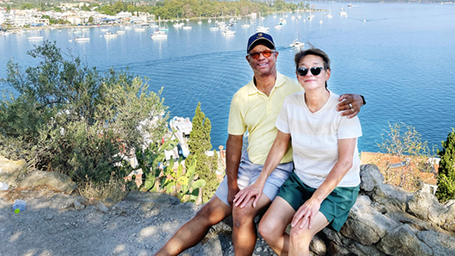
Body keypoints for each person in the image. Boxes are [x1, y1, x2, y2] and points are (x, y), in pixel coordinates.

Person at [154, 34, 365, 256]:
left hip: (282, 169)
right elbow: (235, 141)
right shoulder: (244, 97)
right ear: (248, 59)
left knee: (243, 212)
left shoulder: (296, 88)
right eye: (255, 54)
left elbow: (327, 100)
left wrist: (360, 98)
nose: (261, 57)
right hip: (251, 166)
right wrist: (234, 183)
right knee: (207, 214)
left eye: (266, 53)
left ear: (275, 56)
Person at [234, 47, 361, 256]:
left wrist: (315, 200)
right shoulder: (291, 103)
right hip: (301, 181)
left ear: (327, 73)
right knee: (267, 229)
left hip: (338, 189)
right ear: (297, 76)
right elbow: (280, 144)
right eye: (303, 71)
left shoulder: (344, 109)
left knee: (299, 232)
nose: (309, 74)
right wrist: (260, 182)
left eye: (316, 70)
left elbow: (345, 162)